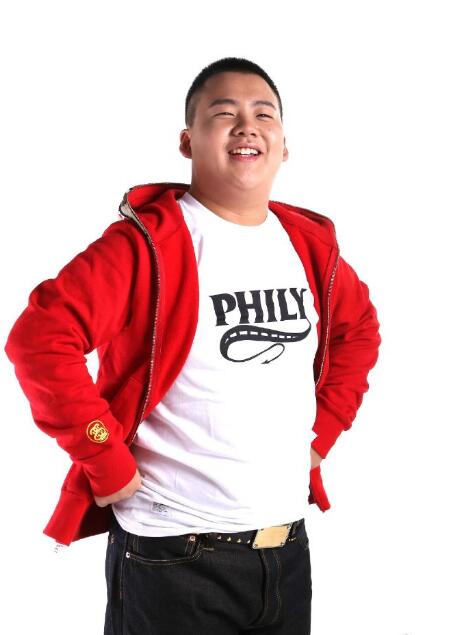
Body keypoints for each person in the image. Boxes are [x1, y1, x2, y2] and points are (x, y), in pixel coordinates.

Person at [4, 56, 381, 634]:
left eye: (264, 114)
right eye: (224, 113)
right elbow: (40, 339)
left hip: (285, 551)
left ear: (284, 145)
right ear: (187, 141)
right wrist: (103, 457)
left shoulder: (308, 246)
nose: (247, 125)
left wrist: (323, 432)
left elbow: (358, 332)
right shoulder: (148, 245)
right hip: (174, 556)